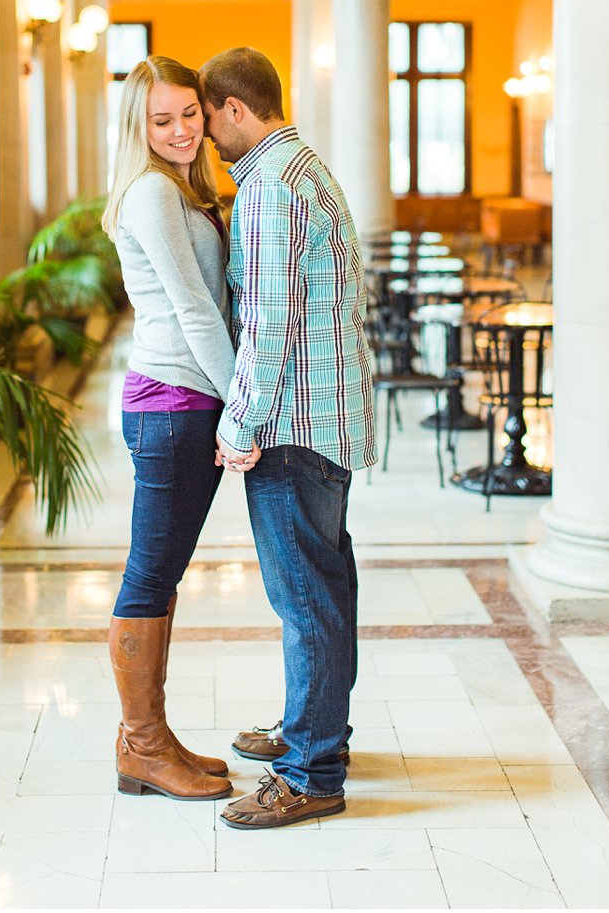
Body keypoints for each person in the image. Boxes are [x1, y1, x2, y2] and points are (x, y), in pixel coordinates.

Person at [199, 46, 376, 829]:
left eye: (206, 122)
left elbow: (267, 321)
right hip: (326, 416)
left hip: (293, 424)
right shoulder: (304, 167)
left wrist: (236, 423)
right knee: (325, 588)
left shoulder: (268, 186)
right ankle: (314, 732)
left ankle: (311, 771)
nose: (207, 139)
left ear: (235, 108)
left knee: (305, 597)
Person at [101, 55, 254, 803]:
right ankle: (141, 745)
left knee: (162, 575)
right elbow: (195, 311)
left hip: (180, 400)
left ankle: (152, 736)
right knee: (149, 573)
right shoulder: (151, 196)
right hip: (171, 403)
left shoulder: (183, 191)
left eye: (188, 113)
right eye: (161, 120)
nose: (181, 129)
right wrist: (239, 406)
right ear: (138, 127)